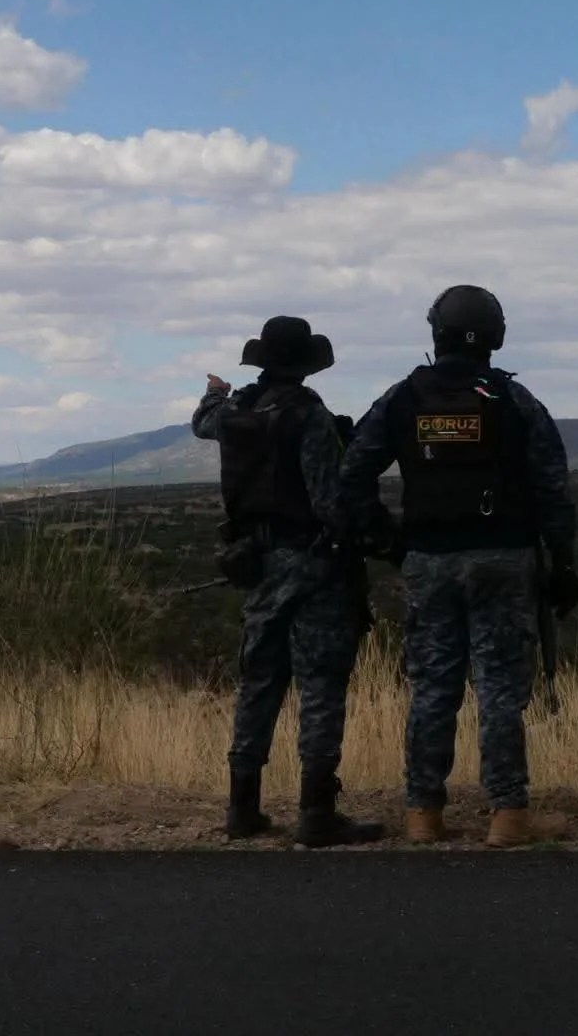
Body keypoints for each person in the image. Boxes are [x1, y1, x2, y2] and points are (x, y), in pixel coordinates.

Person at [339, 285, 578, 847]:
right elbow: (553, 486)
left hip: (428, 561)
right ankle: (508, 815)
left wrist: (388, 541)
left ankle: (424, 813)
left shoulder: (403, 398)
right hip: (504, 556)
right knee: (499, 687)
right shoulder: (514, 400)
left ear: (436, 333)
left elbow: (352, 473)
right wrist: (563, 562)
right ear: (495, 337)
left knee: (432, 686)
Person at [192, 315, 383, 848]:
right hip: (313, 564)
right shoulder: (310, 416)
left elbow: (203, 421)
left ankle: (242, 807)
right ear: (306, 366)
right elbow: (327, 502)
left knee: (259, 681)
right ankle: (317, 812)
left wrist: (215, 392)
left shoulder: (237, 411)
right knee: (320, 684)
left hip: (257, 562)